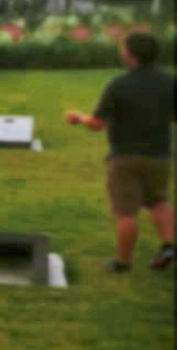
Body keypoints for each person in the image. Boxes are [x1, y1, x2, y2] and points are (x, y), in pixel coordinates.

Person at [66, 31, 176, 271]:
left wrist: (78, 118)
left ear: (132, 55)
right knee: (158, 201)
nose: (121, 51)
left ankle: (123, 262)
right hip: (160, 155)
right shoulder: (172, 83)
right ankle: (169, 245)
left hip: (125, 156)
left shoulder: (119, 85)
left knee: (127, 212)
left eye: (124, 48)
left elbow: (97, 124)